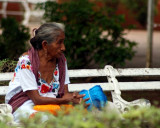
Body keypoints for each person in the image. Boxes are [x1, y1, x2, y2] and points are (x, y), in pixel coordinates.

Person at [5, 23, 88, 122]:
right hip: (25, 105)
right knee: (46, 120)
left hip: (52, 105)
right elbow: (37, 100)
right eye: (59, 42)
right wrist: (66, 100)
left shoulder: (61, 60)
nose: (63, 48)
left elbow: (65, 94)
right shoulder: (26, 61)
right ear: (45, 45)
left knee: (80, 117)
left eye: (63, 42)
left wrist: (76, 99)